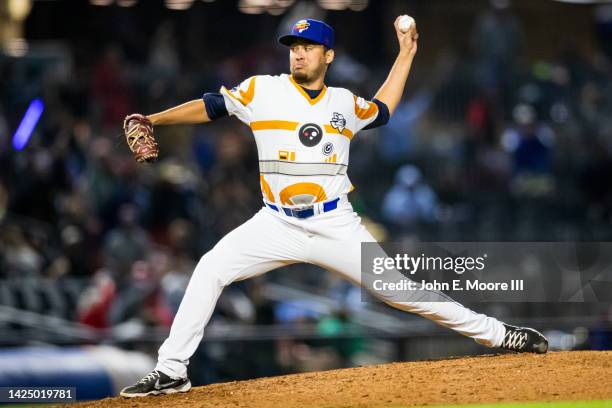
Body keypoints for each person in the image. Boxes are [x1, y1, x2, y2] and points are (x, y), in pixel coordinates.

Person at [120, 17, 548, 398]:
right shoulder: (261, 89)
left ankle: (499, 335)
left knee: (403, 292)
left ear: (329, 55)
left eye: (307, 47)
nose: (298, 53)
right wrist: (154, 119)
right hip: (276, 221)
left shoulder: (343, 101)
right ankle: (171, 370)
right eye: (293, 46)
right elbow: (212, 105)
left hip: (334, 221)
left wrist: (406, 55)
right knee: (211, 268)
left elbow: (381, 110)